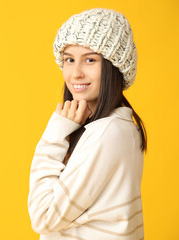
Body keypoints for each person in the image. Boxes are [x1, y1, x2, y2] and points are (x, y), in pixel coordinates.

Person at [27, 8, 147, 240]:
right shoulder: (120, 127)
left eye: (90, 60)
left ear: (114, 67)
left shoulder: (106, 133)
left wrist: (54, 135)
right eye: (69, 60)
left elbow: (43, 217)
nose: (76, 73)